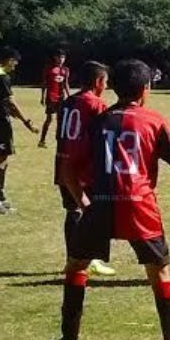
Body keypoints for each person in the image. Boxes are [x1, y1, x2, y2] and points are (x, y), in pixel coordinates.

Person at [56, 59, 170, 340]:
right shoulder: (154, 121)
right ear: (146, 88)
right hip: (139, 204)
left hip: (102, 203)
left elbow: (68, 170)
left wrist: (84, 202)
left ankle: (69, 339)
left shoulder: (99, 121)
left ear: (113, 88)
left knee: (76, 267)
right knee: (160, 274)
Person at [54, 61, 116, 277]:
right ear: (98, 81)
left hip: (63, 162)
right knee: (90, 213)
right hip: (84, 167)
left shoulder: (68, 102)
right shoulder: (95, 104)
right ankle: (88, 259)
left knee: (73, 211)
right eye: (105, 82)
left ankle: (72, 258)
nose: (106, 86)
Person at [0, 47, 39, 214]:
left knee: (3, 159)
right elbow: (10, 103)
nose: (16, 65)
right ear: (8, 60)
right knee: (0, 160)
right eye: (15, 61)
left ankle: (1, 197)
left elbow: (0, 101)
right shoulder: (1, 76)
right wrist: (27, 122)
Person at [39, 48, 71, 148]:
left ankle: (59, 141)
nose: (61, 59)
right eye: (59, 57)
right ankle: (42, 140)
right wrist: (43, 96)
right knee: (49, 119)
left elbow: (66, 83)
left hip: (61, 98)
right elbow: (44, 83)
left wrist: (69, 96)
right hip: (51, 97)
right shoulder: (49, 68)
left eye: (63, 57)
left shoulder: (66, 70)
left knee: (60, 120)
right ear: (55, 58)